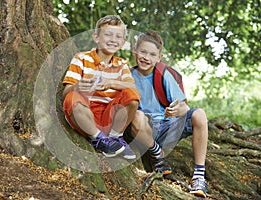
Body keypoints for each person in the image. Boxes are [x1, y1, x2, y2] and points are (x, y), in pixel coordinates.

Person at [128, 30, 209, 198]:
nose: (146, 57)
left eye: (152, 54)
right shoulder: (127, 76)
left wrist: (175, 110)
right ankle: (157, 154)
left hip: (166, 127)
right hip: (142, 132)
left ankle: (199, 176)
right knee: (136, 116)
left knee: (199, 114)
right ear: (134, 51)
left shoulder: (163, 75)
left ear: (159, 57)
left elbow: (184, 108)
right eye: (142, 52)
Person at [62, 15, 140, 160]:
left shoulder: (122, 64)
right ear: (97, 37)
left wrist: (111, 83)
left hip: (111, 117)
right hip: (86, 114)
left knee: (132, 94)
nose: (113, 40)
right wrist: (77, 87)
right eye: (108, 35)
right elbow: (66, 92)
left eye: (118, 36)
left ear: (123, 42)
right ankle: (99, 138)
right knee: (71, 97)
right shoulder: (81, 58)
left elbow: (131, 86)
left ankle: (115, 137)